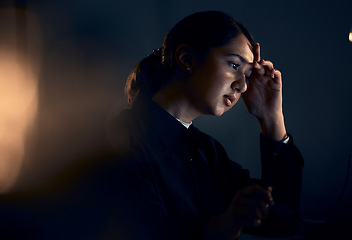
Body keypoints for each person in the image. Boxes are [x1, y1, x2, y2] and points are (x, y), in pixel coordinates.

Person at [107, 10, 304, 240]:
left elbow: (281, 221)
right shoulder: (119, 137)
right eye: (233, 65)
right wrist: (225, 224)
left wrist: (271, 118)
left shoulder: (207, 153)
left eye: (248, 75)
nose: (242, 85)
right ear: (187, 59)